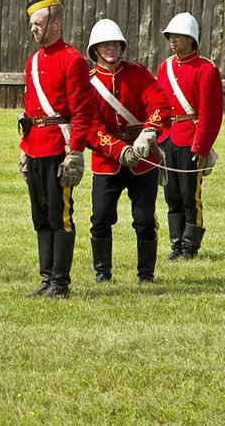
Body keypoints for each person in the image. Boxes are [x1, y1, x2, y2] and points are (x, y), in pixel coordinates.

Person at [19, 0, 94, 298]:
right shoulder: (33, 60)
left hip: (58, 147)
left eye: (38, 23)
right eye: (32, 24)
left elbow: (82, 112)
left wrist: (75, 153)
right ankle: (47, 278)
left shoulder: (72, 59)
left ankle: (60, 283)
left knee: (59, 215)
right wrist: (24, 149)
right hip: (35, 144)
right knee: (40, 214)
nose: (33, 29)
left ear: (56, 24)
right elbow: (29, 108)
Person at [85, 19, 170, 284]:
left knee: (145, 219)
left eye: (115, 43)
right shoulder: (88, 83)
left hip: (143, 159)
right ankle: (103, 272)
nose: (111, 48)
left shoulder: (138, 73)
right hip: (107, 161)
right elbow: (90, 125)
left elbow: (160, 103)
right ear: (95, 49)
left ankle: (146, 274)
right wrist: (119, 150)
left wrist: (149, 132)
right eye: (105, 44)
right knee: (100, 217)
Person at [155, 12, 222, 260]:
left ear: (191, 38)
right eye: (170, 36)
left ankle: (189, 246)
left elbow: (211, 113)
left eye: (178, 36)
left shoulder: (206, 69)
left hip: (191, 138)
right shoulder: (165, 67)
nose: (173, 40)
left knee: (189, 194)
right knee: (171, 193)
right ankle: (176, 244)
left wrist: (201, 146)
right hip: (168, 137)